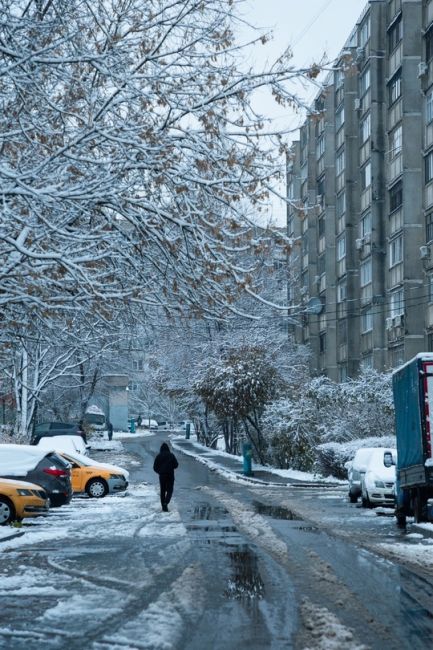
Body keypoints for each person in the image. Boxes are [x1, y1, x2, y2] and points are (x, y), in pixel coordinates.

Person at [153, 442, 179, 512]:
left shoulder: (158, 456)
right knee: (170, 490)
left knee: (163, 490)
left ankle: (163, 506)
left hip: (162, 476)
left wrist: (160, 472)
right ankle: (166, 502)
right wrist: (171, 467)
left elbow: (155, 467)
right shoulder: (171, 455)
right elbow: (176, 465)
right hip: (170, 475)